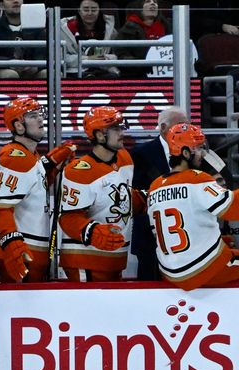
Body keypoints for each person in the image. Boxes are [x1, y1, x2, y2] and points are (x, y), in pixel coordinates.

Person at [0, 97, 75, 282]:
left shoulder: (29, 156)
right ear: (19, 126)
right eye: (32, 115)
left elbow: (31, 188)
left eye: (40, 114)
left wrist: (51, 165)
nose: (40, 119)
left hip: (29, 248)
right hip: (21, 250)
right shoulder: (15, 157)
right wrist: (12, 243)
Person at [147, 123, 239, 290]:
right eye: (197, 149)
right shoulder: (196, 179)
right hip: (202, 269)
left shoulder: (155, 186)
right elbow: (233, 208)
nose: (201, 154)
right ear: (185, 153)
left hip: (170, 272)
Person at [58, 106, 142, 282]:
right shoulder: (78, 170)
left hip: (116, 258)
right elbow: (68, 218)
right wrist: (94, 232)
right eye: (115, 128)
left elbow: (123, 198)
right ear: (99, 135)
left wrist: (147, 199)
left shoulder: (125, 158)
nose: (121, 132)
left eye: (120, 127)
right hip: (85, 260)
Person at [131, 106, 189, 281]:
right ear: (163, 128)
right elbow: (136, 191)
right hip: (150, 235)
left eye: (187, 125)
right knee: (148, 282)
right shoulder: (140, 153)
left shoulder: (191, 150)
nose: (186, 129)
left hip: (182, 233)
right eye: (181, 124)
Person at [0, 0, 47, 79]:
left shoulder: (36, 26)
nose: (15, 1)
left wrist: (34, 65)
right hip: (4, 69)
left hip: (32, 70)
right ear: (1, 5)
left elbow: (42, 54)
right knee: (10, 74)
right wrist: (10, 63)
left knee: (48, 74)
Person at [60, 0, 119, 78]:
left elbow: (116, 55)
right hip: (75, 70)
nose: (90, 13)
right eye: (86, 10)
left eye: (94, 10)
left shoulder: (110, 30)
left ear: (99, 11)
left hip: (104, 70)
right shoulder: (64, 29)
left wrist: (104, 58)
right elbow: (62, 58)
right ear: (79, 11)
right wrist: (87, 59)